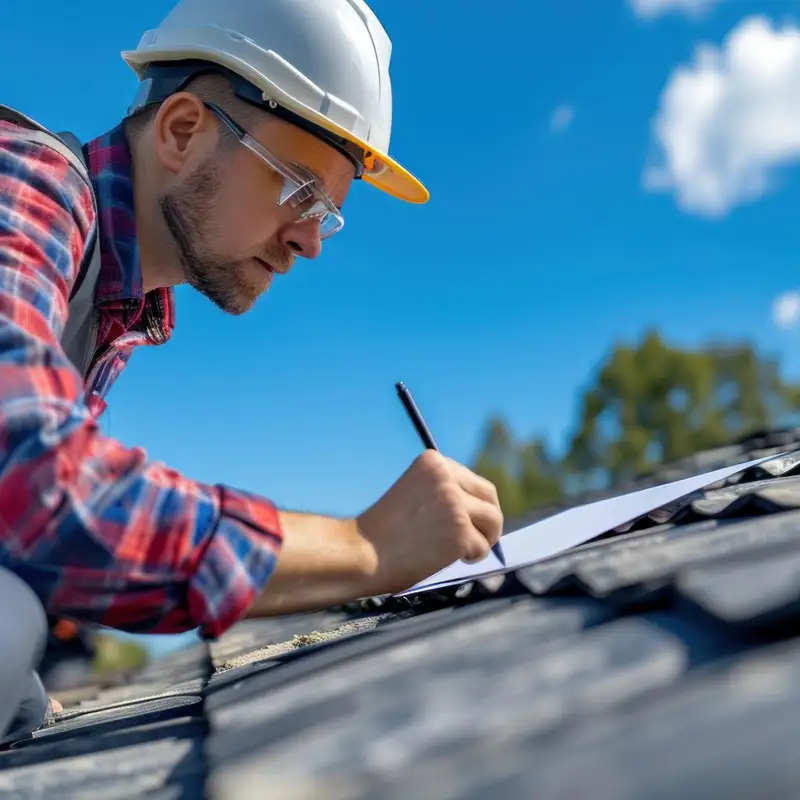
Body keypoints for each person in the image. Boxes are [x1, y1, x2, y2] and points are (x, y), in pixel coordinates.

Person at [0, 0, 504, 710]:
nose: (310, 241)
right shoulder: (25, 185)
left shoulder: (110, 301)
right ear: (181, 131)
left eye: (327, 210)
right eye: (299, 189)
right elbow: (29, 479)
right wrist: (363, 548)